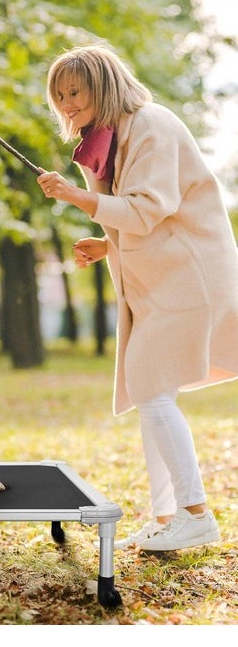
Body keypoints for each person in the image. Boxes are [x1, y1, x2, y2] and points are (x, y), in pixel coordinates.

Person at [37, 42, 238, 551]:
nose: (66, 103)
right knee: (154, 391)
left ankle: (196, 515)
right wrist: (108, 244)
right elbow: (149, 214)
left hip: (189, 278)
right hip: (163, 280)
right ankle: (169, 515)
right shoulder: (111, 136)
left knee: (149, 387)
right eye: (58, 95)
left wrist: (76, 196)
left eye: (75, 91)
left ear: (102, 84)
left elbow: (148, 209)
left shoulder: (152, 125)